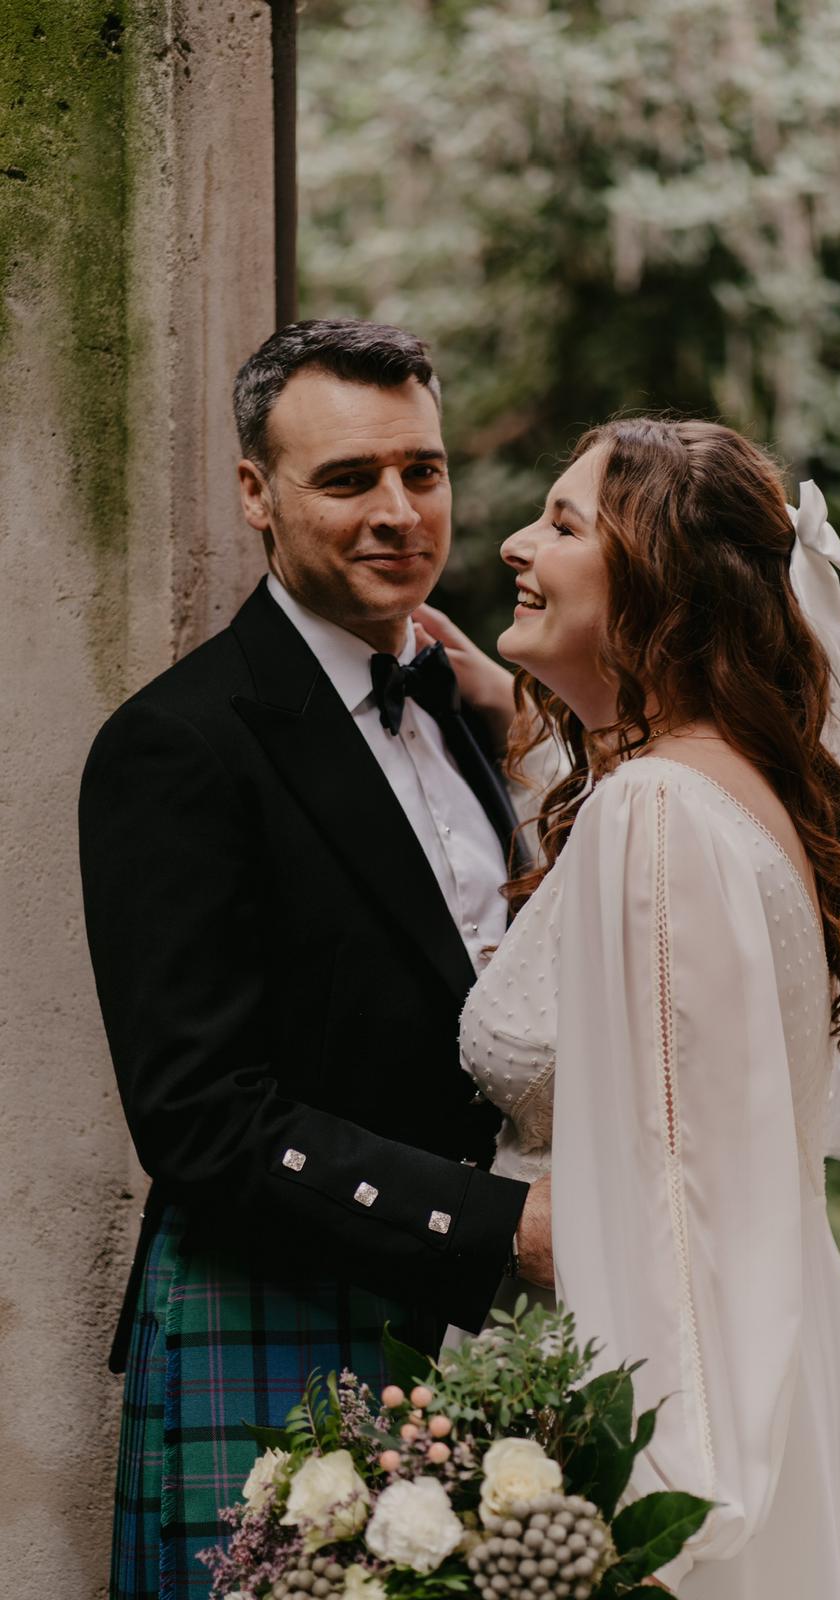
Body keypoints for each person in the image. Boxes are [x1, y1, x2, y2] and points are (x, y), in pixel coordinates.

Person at [79, 318, 552, 1600]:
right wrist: (502, 1225)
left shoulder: (470, 708)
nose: (400, 511)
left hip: (463, 1330)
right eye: (349, 479)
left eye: (423, 470)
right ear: (256, 494)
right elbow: (199, 1119)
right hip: (277, 1303)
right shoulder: (177, 746)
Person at [453, 418, 840, 1597]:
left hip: (655, 1402)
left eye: (564, 524)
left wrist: (663, 1504)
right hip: (761, 1349)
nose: (517, 543)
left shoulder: (654, 812)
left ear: (659, 579)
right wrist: (515, 713)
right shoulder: (723, 789)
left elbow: (674, 1185)